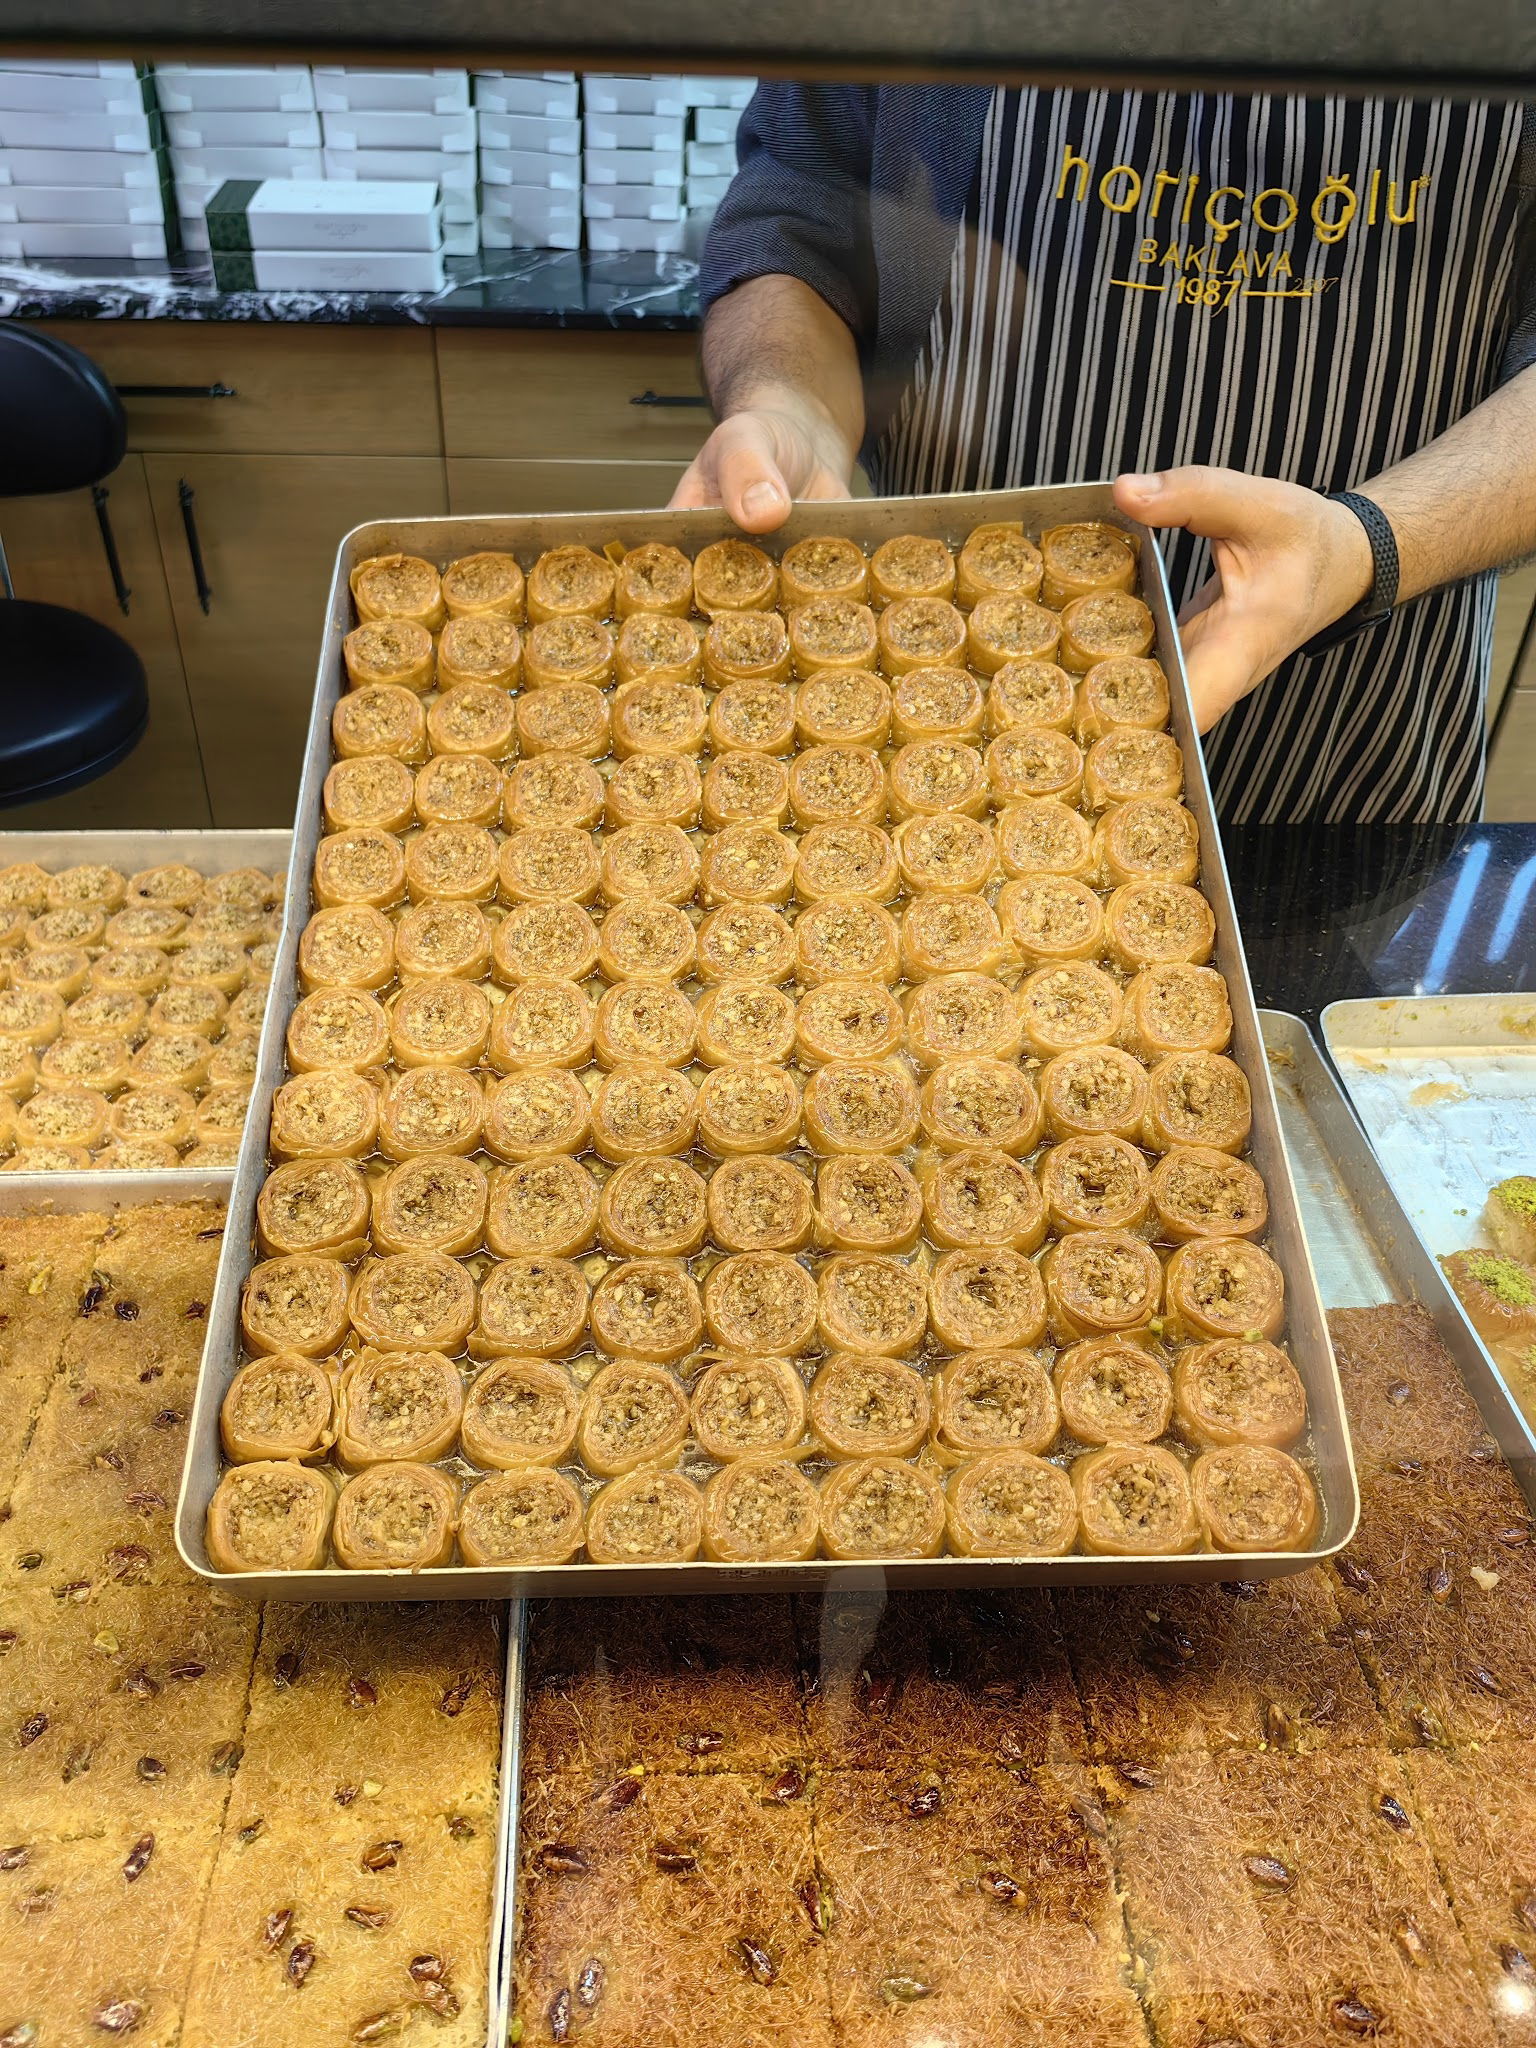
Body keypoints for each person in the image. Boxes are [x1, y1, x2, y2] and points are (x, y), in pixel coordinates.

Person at [674, 84, 1536, 821]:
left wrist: (1365, 546)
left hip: (1346, 764)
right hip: (926, 733)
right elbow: (801, 208)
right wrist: (788, 406)